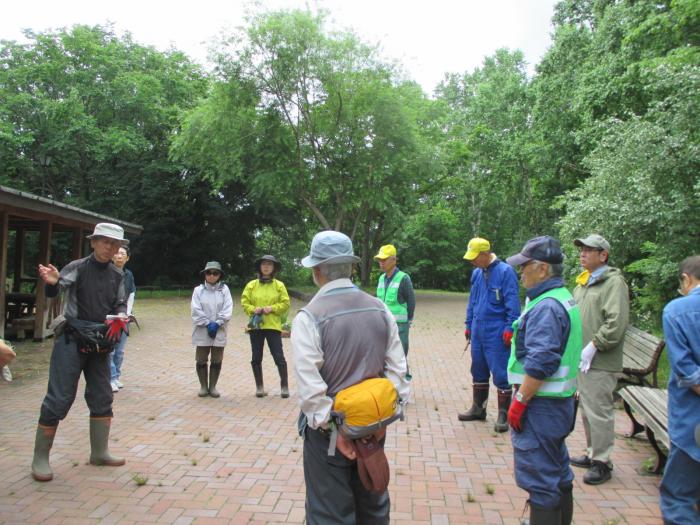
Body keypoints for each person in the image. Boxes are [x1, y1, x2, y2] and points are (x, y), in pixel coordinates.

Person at [292, 231, 410, 525]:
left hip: (330, 438)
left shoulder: (309, 317)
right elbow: (398, 372)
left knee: (329, 513)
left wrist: (336, 430)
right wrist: (380, 423)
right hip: (372, 431)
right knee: (373, 505)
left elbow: (311, 392)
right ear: (350, 268)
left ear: (317, 271)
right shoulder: (379, 308)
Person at [31, 223, 130, 482]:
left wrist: (121, 314)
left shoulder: (117, 274)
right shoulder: (77, 267)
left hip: (101, 340)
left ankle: (99, 452)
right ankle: (40, 458)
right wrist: (51, 283)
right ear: (94, 242)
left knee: (102, 394)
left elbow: (120, 300)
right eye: (106, 241)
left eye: (115, 244)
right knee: (60, 397)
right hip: (72, 338)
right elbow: (56, 288)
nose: (111, 247)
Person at [505, 236, 582, 525]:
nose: (521, 272)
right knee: (558, 470)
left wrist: (520, 400)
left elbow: (542, 362)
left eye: (524, 267)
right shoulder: (561, 298)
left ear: (542, 269)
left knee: (540, 478)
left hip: (541, 406)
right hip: (558, 405)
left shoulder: (547, 306)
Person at [570, 234, 629, 485]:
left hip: (600, 361)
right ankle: (593, 452)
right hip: (583, 360)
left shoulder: (613, 283)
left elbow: (616, 323)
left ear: (603, 255)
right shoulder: (584, 282)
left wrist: (594, 345)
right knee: (588, 409)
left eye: (589, 250)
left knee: (599, 411)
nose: (582, 253)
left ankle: (602, 462)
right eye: (581, 249)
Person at [459, 237, 521, 433]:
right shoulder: (477, 273)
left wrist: (510, 327)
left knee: (501, 372)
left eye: (475, 257)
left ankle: (504, 414)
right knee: (478, 368)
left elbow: (513, 302)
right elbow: (472, 300)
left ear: (485, 254)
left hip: (497, 329)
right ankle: (479, 408)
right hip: (478, 328)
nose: (472, 261)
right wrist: (469, 323)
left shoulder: (505, 272)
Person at [659, 255, 700, 525]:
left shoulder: (678, 310)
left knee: (679, 496)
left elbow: (686, 369)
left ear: (686, 279)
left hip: (691, 418)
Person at [241, 255, 291, 398]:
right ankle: (259, 387)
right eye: (264, 264)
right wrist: (253, 309)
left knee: (278, 356)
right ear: (260, 267)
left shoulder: (279, 285)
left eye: (269, 264)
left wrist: (273, 308)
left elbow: (285, 303)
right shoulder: (251, 285)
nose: (266, 267)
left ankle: (284, 387)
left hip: (273, 326)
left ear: (274, 268)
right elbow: (245, 303)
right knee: (256, 357)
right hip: (256, 326)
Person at [191, 261, 233, 398]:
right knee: (201, 359)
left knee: (217, 359)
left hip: (219, 329)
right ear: (205, 274)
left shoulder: (224, 290)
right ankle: (203, 386)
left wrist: (218, 322)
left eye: (215, 273)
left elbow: (228, 308)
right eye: (209, 273)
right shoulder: (198, 290)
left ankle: (213, 386)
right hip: (202, 329)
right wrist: (207, 323)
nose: (212, 276)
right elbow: (195, 310)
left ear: (219, 275)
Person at [374, 244, 415, 378]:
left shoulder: (404, 278)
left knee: (400, 358)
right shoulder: (381, 278)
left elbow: (411, 302)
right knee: (383, 357)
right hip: (382, 325)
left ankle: (403, 391)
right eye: (380, 260)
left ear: (394, 260)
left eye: (384, 259)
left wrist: (408, 321)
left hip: (400, 326)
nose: (381, 263)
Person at [109, 245, 135, 392]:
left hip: (124, 317)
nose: (119, 256)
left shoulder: (128, 275)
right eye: (117, 253)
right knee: (110, 350)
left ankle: (116, 376)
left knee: (120, 350)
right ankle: (110, 377)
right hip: (110, 317)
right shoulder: (107, 272)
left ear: (127, 258)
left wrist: (127, 314)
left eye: (123, 253)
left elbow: (131, 294)